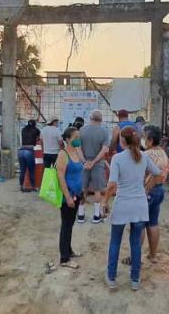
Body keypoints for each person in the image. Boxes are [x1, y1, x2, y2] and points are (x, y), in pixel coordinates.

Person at [103, 127, 161, 291]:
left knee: (115, 241)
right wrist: (146, 187)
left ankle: (111, 277)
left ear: (122, 141)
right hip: (139, 205)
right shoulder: (144, 156)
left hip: (123, 204)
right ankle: (135, 279)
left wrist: (104, 201)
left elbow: (112, 184)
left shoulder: (118, 158)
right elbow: (158, 173)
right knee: (135, 243)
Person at [56, 127, 85, 269]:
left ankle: (69, 250)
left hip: (77, 194)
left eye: (79, 137)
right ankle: (64, 258)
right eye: (75, 137)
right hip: (68, 195)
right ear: (67, 139)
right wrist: (67, 197)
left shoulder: (76, 151)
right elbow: (60, 176)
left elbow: (81, 170)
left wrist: (82, 191)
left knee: (70, 224)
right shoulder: (63, 154)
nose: (78, 139)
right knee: (66, 225)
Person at [142, 126, 169, 264]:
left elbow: (144, 174)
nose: (142, 140)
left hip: (148, 190)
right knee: (153, 222)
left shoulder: (146, 155)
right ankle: (153, 255)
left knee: (140, 224)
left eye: (144, 137)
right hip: (159, 189)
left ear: (151, 140)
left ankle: (136, 256)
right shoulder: (163, 153)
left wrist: (145, 189)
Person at [79, 109, 111, 224]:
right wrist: (94, 161)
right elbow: (104, 150)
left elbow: (78, 148)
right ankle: (96, 215)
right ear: (101, 119)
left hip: (84, 163)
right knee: (97, 190)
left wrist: (84, 162)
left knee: (83, 188)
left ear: (90, 118)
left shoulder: (82, 130)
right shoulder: (104, 132)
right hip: (98, 163)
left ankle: (81, 214)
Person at [19, 120, 41, 192]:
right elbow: (38, 139)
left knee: (22, 170)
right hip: (29, 151)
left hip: (21, 150)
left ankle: (21, 186)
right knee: (31, 170)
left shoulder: (23, 129)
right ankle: (33, 187)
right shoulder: (36, 130)